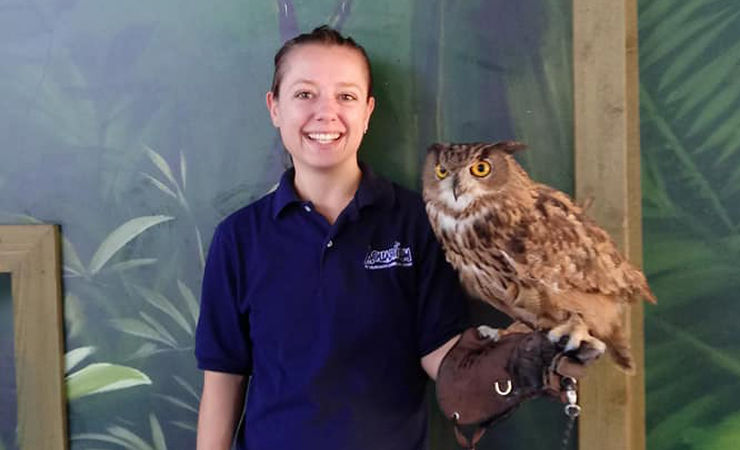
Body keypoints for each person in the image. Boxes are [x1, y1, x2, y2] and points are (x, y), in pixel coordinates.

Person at [195, 26, 583, 450]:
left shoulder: (417, 223)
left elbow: (443, 357)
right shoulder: (238, 239)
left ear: (367, 111)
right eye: (305, 94)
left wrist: (521, 357)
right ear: (274, 107)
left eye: (346, 96)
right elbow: (223, 381)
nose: (326, 113)